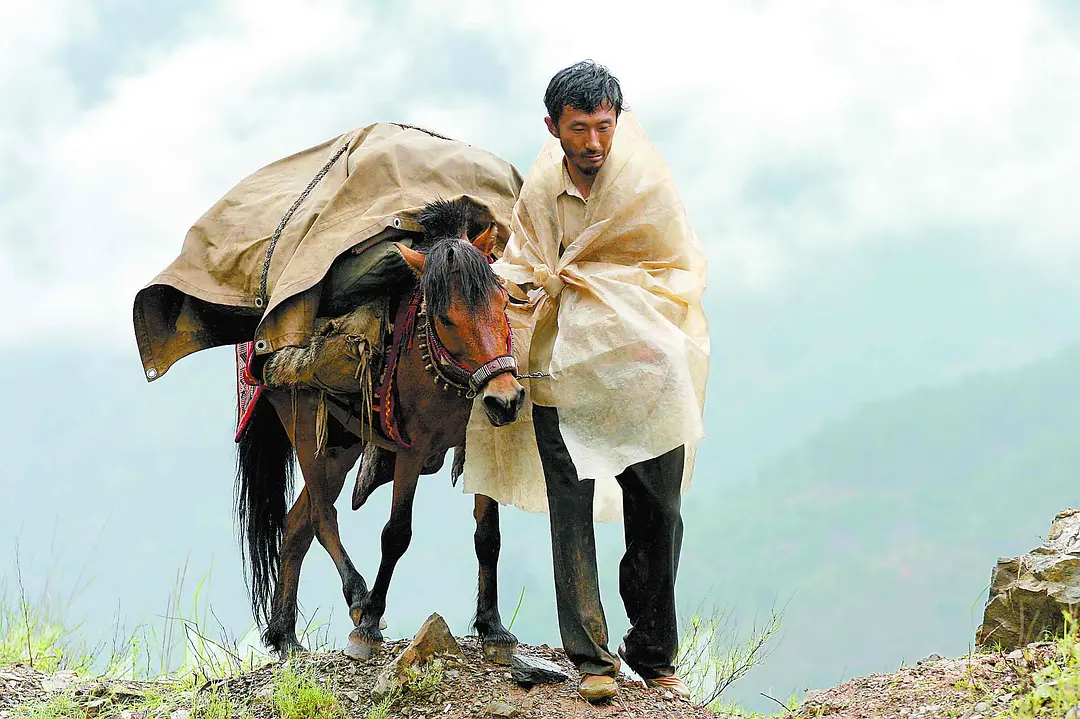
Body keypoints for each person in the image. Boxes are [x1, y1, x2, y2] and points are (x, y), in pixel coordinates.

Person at [472, 60, 711, 703]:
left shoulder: (646, 183)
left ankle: (653, 651)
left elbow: (676, 271)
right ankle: (590, 656)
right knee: (570, 512)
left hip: (642, 373)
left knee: (659, 512)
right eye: (579, 129)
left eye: (604, 127)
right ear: (553, 128)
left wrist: (618, 304)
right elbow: (524, 261)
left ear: (619, 122)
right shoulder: (541, 190)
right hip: (562, 370)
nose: (594, 143)